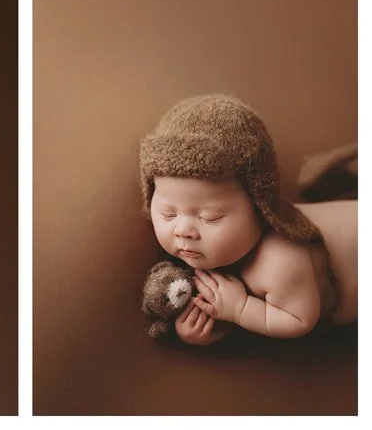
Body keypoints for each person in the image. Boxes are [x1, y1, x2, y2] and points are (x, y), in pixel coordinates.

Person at [138, 94, 356, 345]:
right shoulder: (211, 250)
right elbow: (230, 308)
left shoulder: (281, 260)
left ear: (261, 208)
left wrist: (240, 308)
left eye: (210, 217)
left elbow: (299, 320)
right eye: (168, 213)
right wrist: (203, 329)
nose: (183, 230)